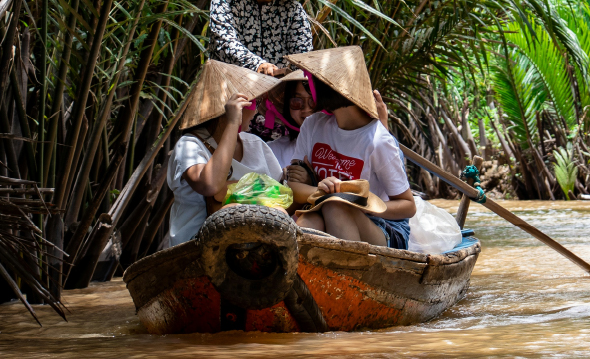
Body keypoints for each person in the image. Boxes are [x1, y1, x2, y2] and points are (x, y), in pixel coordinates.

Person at [283, 46, 416, 249]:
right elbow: (293, 185)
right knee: (310, 220)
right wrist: (321, 190)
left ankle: (351, 273)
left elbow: (408, 206)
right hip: (325, 210)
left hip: (384, 227)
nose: (309, 88)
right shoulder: (313, 125)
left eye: (312, 83)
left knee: (335, 205)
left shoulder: (378, 141)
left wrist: (359, 203)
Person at [166, 60, 288, 247]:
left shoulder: (254, 143)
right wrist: (232, 123)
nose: (256, 110)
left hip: (258, 244)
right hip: (197, 246)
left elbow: (279, 193)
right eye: (252, 102)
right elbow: (210, 185)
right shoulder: (190, 145)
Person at [266, 70, 316, 168]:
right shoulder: (271, 152)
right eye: (297, 101)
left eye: (314, 101)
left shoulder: (349, 147)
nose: (306, 109)